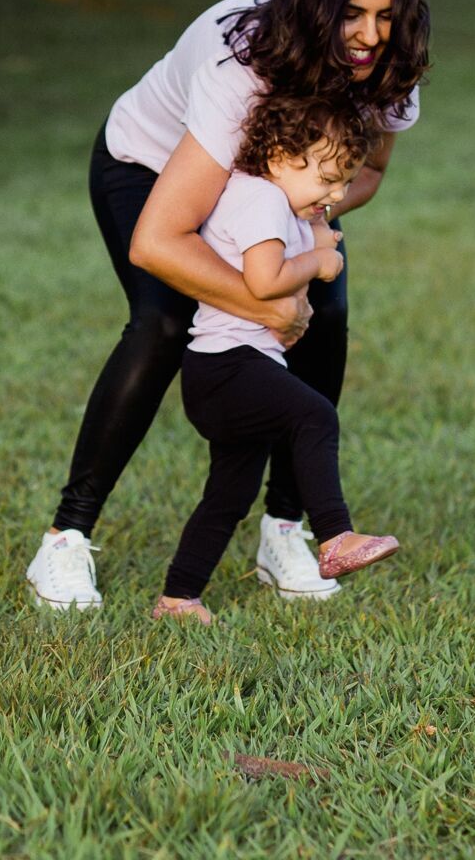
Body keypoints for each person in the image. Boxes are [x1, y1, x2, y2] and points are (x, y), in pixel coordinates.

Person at [24, 0, 430, 611]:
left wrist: (304, 231)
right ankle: (65, 540)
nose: (369, 36)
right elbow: (158, 239)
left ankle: (284, 530)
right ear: (314, 5)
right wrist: (268, 299)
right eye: (352, 15)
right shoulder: (240, 56)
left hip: (272, 191)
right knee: (163, 319)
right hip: (151, 173)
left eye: (385, 15)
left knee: (326, 311)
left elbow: (370, 172)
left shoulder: (387, 61)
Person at [152, 93, 401, 625]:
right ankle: (335, 536)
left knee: (229, 494)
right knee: (315, 414)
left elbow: (300, 242)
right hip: (228, 366)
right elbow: (264, 282)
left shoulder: (274, 201)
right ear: (284, 157)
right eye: (328, 179)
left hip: (226, 370)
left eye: (343, 182)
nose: (336, 194)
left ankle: (178, 598)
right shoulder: (261, 200)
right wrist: (318, 261)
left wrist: (315, 231)